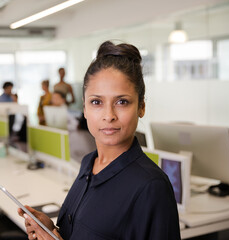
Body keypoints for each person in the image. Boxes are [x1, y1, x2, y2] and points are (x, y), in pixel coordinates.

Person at [18, 41, 181, 239]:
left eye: (122, 102)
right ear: (84, 109)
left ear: (141, 107)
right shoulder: (88, 163)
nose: (108, 115)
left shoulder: (151, 186)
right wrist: (52, 230)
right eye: (96, 102)